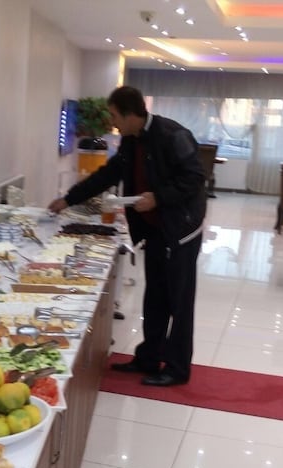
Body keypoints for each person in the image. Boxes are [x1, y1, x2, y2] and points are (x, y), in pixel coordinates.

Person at [47, 86, 206, 387]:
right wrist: (68, 199)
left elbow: (195, 177)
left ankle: (177, 368)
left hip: (181, 230)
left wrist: (158, 197)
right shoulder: (132, 140)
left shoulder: (173, 135)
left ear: (131, 114)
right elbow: (108, 174)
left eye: (114, 116)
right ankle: (148, 358)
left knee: (178, 301)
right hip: (156, 229)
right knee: (155, 295)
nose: (112, 122)